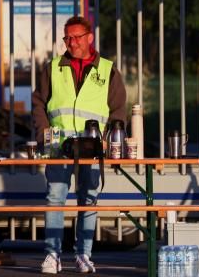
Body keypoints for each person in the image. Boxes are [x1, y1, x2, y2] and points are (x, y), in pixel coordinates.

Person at [31, 15, 127, 275]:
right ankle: (52, 255)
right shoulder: (53, 68)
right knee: (55, 198)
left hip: (92, 148)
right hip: (58, 146)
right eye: (67, 38)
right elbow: (39, 103)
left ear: (89, 38)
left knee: (89, 199)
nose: (71, 43)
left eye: (76, 37)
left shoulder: (107, 69)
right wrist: (44, 134)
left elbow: (118, 109)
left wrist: (110, 140)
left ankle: (83, 255)